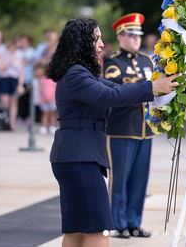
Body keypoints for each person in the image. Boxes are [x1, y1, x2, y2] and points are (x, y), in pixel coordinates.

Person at [45, 18, 178, 247]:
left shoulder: (79, 73)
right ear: (83, 42)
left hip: (75, 156)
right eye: (96, 39)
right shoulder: (76, 74)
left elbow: (115, 89)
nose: (100, 45)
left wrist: (153, 88)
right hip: (80, 157)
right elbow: (109, 97)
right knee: (97, 231)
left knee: (76, 230)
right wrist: (151, 88)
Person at [103, 13, 154, 238]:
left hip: (145, 130)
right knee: (120, 179)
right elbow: (115, 87)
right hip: (122, 129)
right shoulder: (113, 63)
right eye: (131, 35)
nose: (135, 39)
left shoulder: (147, 60)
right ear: (120, 36)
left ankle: (133, 222)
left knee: (139, 181)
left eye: (138, 35)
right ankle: (117, 222)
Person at [0, 37, 25, 130]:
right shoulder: (3, 53)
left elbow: (21, 71)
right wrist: (10, 60)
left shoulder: (20, 54)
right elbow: (0, 68)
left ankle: (12, 124)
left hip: (14, 80)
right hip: (4, 78)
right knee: (5, 102)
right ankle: (4, 121)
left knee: (14, 102)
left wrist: (20, 84)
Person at [18, 35, 36, 121]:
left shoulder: (32, 51)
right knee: (20, 99)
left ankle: (29, 117)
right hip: (20, 79)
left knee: (28, 99)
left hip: (29, 78)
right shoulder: (19, 52)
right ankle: (21, 117)